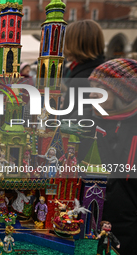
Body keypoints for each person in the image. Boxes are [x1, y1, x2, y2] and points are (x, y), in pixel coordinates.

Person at [75, 58, 137, 254]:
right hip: (86, 221)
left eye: (101, 90)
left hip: (127, 230)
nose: (92, 94)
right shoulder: (84, 121)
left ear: (123, 94)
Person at [61, 20, 105, 118]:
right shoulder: (101, 70)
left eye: (66, 42)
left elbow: (70, 122)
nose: (63, 47)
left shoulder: (82, 79)